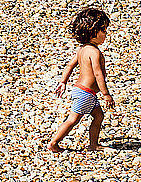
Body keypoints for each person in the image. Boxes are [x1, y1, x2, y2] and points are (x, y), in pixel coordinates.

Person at [48, 7, 115, 152]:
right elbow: (98, 75)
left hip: (83, 92)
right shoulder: (94, 52)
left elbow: (70, 65)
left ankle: (93, 144)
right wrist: (106, 94)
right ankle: (53, 143)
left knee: (98, 116)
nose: (106, 34)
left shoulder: (82, 49)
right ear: (92, 32)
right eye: (103, 30)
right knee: (73, 120)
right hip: (86, 93)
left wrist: (63, 82)